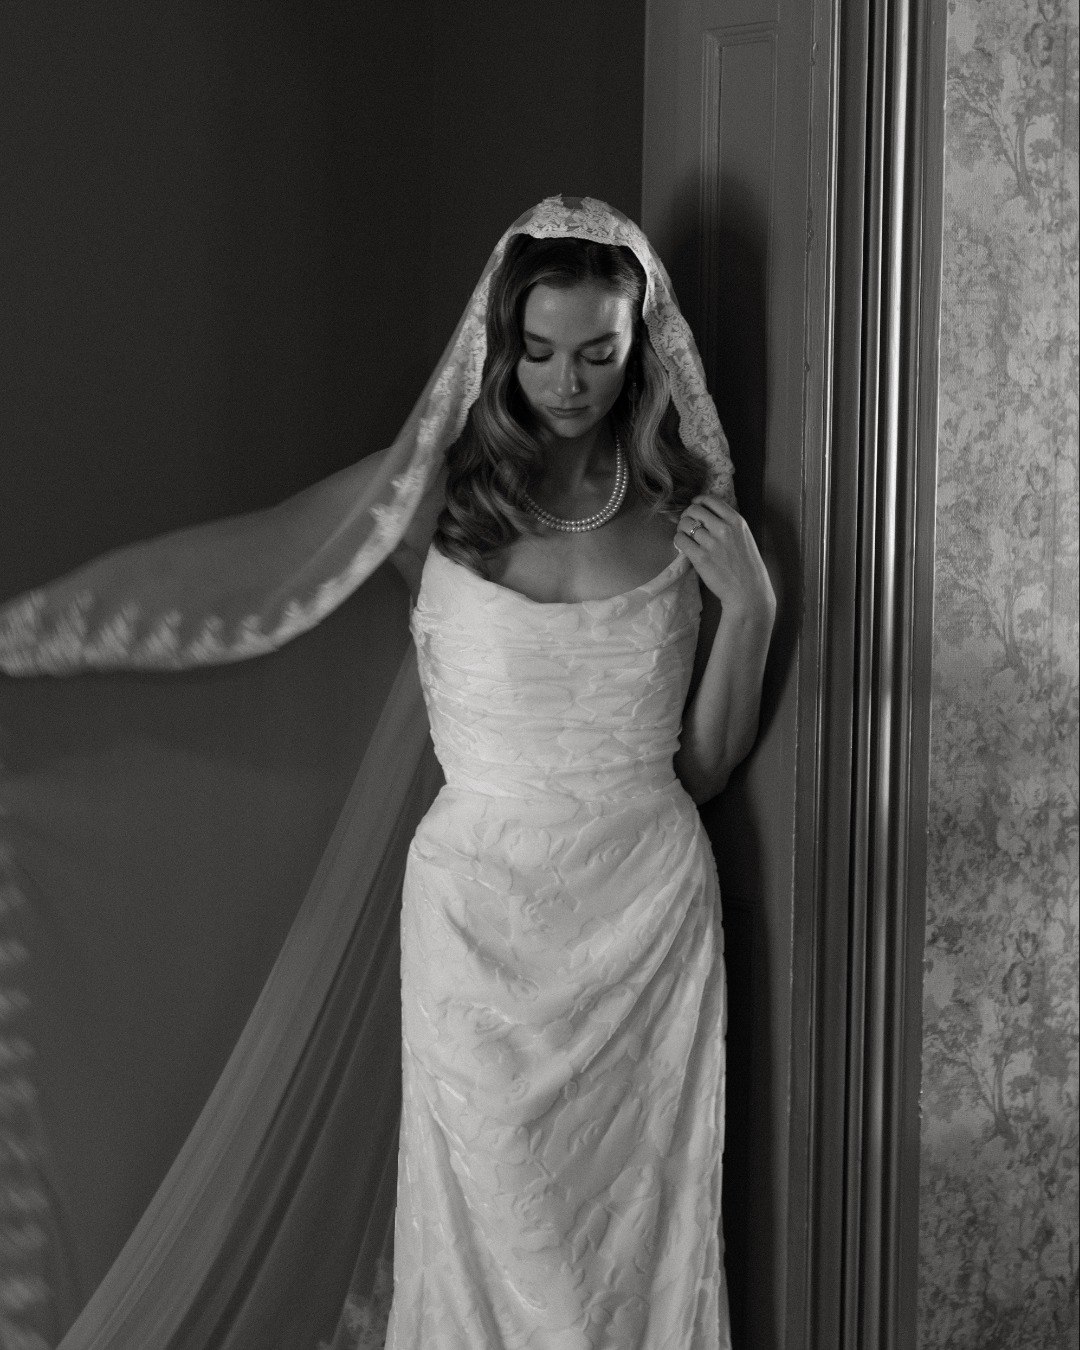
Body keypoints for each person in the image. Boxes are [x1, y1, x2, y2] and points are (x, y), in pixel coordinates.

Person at [0, 197, 774, 1349]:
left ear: (642, 349)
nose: (568, 382)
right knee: (493, 1223)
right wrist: (46, 637)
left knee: (634, 1240)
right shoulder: (433, 502)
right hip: (477, 919)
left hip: (645, 916)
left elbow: (701, 769)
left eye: (598, 353)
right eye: (541, 351)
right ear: (501, 347)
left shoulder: (686, 521)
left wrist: (752, 610)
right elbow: (260, 587)